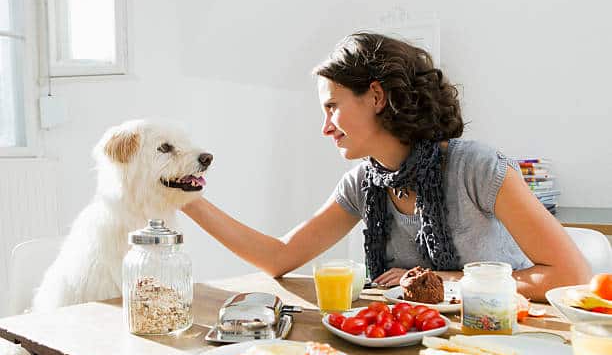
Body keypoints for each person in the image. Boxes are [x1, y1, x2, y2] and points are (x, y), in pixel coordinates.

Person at [182, 32, 590, 302]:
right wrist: (188, 200)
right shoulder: (363, 183)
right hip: (417, 346)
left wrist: (447, 282)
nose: (325, 128)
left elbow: (571, 276)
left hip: (503, 341)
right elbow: (280, 256)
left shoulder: (477, 168)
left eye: (332, 107)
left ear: (375, 96)